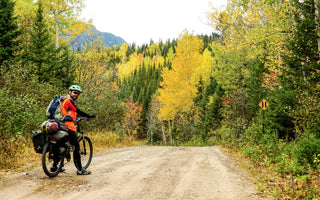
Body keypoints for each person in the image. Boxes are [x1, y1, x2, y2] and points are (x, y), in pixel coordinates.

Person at [51, 85, 95, 175]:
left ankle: (54, 166)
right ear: (69, 91)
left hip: (59, 124)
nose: (76, 95)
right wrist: (89, 116)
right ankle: (80, 169)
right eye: (75, 92)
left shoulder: (62, 100)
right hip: (68, 126)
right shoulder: (69, 101)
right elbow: (78, 111)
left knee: (61, 145)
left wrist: (78, 118)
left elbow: (70, 112)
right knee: (76, 147)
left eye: (78, 94)